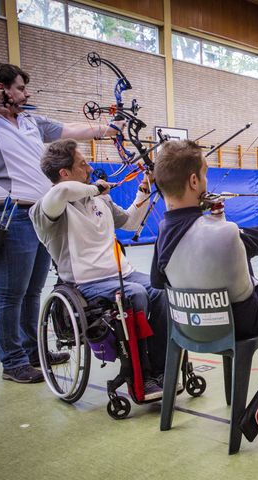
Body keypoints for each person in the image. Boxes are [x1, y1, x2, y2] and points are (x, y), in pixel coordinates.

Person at [0, 63, 122, 383]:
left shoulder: (32, 121)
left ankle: (33, 351)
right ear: (2, 89)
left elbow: (71, 130)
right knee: (9, 293)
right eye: (19, 88)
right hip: (10, 213)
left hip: (42, 215)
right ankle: (13, 361)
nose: (26, 93)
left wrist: (106, 129)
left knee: (33, 291)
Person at [31, 139, 165, 399]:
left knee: (161, 288)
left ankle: (160, 369)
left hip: (121, 274)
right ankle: (142, 376)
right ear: (65, 173)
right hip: (84, 284)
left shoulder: (99, 201)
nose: (90, 168)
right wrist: (93, 188)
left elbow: (129, 221)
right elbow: (60, 193)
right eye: (83, 165)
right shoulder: (46, 209)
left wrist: (145, 186)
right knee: (135, 294)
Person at [150, 140, 258, 340]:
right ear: (194, 181)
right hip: (239, 322)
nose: (206, 182)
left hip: (190, 326)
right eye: (205, 175)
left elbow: (157, 282)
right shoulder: (225, 232)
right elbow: (257, 240)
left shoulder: (163, 232)